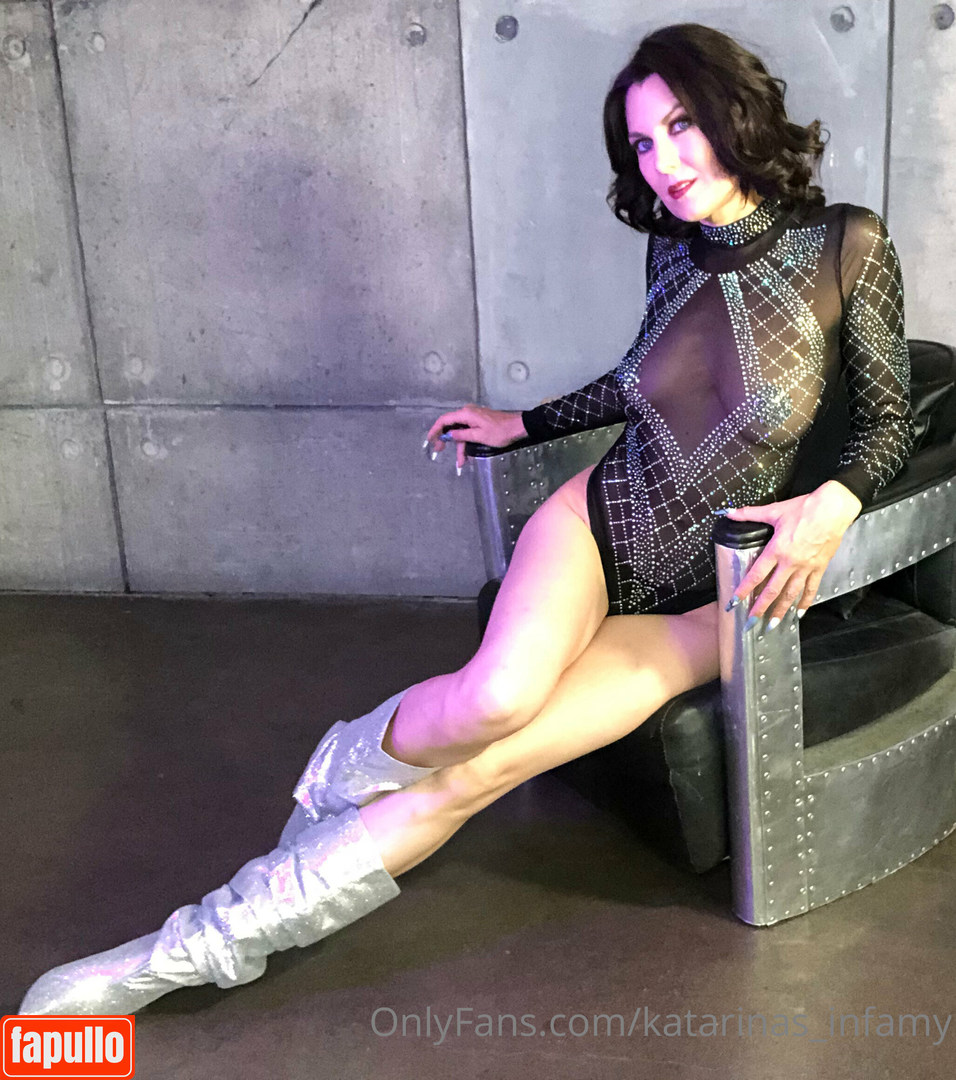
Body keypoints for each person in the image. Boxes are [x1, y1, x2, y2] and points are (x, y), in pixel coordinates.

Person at [19, 22, 913, 1015]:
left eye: (678, 126)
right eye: (640, 144)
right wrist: (520, 424)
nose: (661, 163)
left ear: (731, 111)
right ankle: (328, 790)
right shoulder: (671, 246)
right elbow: (640, 382)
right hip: (599, 524)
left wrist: (834, 503)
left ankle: (182, 952)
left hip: (717, 592)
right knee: (491, 700)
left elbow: (887, 421)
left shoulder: (845, 243)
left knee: (478, 771)